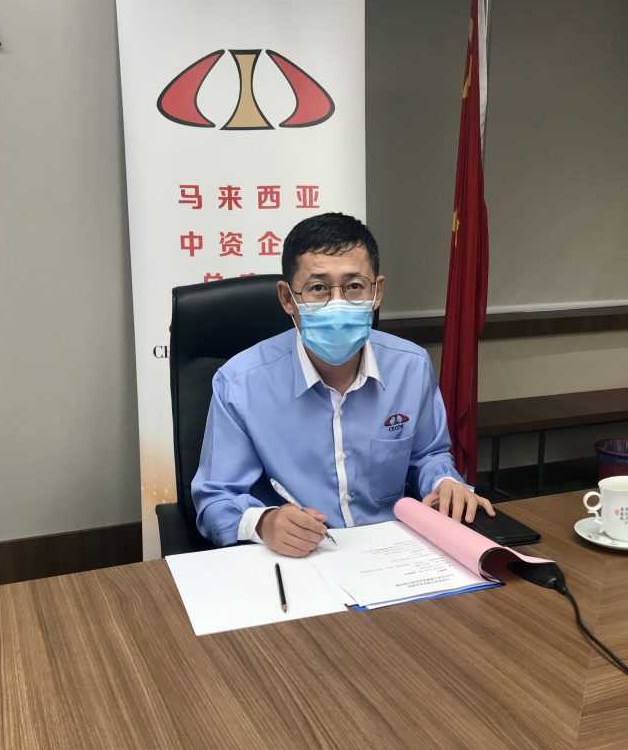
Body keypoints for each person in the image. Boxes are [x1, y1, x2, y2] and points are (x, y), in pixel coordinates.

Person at [191, 212, 494, 556]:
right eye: (318, 288)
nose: (337, 303)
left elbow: (428, 455)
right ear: (288, 298)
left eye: (353, 287)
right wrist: (264, 523)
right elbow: (215, 499)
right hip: (301, 559)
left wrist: (445, 482)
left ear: (376, 292)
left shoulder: (410, 366)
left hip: (393, 552)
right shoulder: (240, 383)